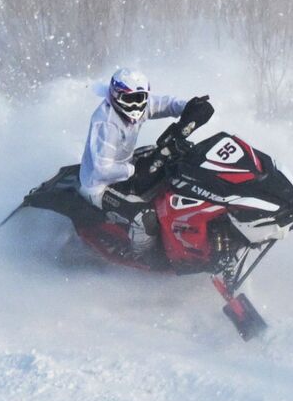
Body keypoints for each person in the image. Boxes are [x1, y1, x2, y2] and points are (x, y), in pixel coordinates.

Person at [79, 67, 212, 258]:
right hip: (100, 186)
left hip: (125, 165)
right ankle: (141, 257)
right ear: (116, 96)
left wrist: (191, 107)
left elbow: (166, 104)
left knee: (168, 161)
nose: (135, 105)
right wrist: (134, 170)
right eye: (129, 100)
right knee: (145, 219)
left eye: (140, 98)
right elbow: (102, 169)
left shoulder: (139, 106)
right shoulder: (106, 123)